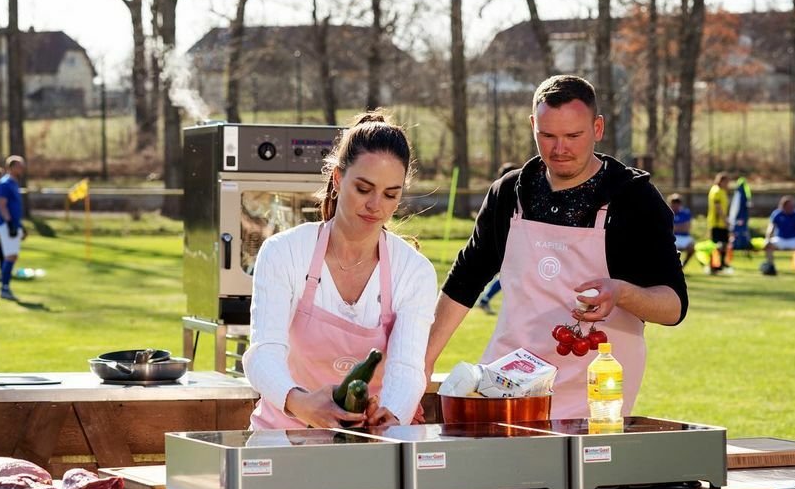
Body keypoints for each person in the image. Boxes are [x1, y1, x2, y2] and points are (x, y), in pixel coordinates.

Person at [425, 75, 687, 419]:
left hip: (595, 389)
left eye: (573, 136)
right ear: (533, 125)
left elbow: (673, 306)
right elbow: (466, 278)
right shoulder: (509, 193)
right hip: (506, 379)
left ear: (597, 128)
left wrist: (621, 292)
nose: (559, 149)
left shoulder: (634, 199)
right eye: (547, 136)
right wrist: (423, 363)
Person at [243, 112, 437, 429]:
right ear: (337, 178)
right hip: (284, 437)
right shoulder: (285, 252)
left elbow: (407, 366)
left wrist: (392, 413)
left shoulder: (414, 271)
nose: (376, 205)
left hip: (368, 440)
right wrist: (299, 403)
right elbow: (263, 352)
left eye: (391, 194)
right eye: (363, 188)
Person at [476, 162, 520, 314]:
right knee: (509, 275)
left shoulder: (502, 193)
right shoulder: (506, 196)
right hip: (507, 243)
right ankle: (485, 299)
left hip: (507, 243)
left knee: (508, 275)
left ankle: (486, 299)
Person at [0, 155, 26, 300]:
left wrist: (20, 225)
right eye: (20, 165)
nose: (22, 168)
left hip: (14, 224)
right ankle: (4, 287)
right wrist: (10, 224)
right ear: (12, 167)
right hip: (7, 225)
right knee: (10, 256)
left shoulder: (14, 182)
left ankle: (5, 285)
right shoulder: (5, 183)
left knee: (13, 256)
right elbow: (2, 205)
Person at [762, 196, 795, 276]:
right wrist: (768, 239)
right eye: (789, 206)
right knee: (768, 245)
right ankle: (771, 266)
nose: (791, 208)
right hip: (780, 239)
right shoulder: (777, 214)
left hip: (794, 239)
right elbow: (771, 228)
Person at [706, 172, 730, 274]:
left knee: (724, 244)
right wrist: (725, 219)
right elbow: (717, 207)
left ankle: (721, 264)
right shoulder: (716, 191)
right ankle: (711, 266)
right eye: (726, 182)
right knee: (715, 245)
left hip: (722, 223)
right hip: (716, 223)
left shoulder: (722, 191)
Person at [668, 193, 696, 268]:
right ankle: (673, 267)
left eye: (678, 202)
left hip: (684, 237)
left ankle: (682, 265)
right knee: (671, 247)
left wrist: (674, 227)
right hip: (672, 237)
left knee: (692, 247)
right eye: (674, 202)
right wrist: (680, 226)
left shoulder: (685, 212)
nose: (675, 204)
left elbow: (686, 228)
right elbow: (666, 228)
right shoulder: (667, 212)